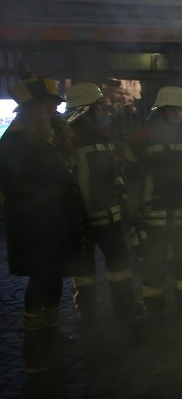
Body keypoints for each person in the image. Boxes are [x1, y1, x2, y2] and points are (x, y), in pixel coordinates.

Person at [0, 73, 85, 364]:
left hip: (55, 220)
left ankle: (52, 330)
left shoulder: (45, 139)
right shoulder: (13, 142)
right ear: (31, 109)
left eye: (53, 106)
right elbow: (15, 185)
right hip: (33, 222)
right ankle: (34, 335)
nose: (53, 111)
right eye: (47, 106)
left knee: (55, 274)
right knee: (41, 276)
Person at [123, 86, 182, 320]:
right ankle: (154, 311)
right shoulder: (142, 139)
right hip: (153, 215)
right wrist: (132, 210)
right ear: (161, 111)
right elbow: (127, 172)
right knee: (154, 266)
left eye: (180, 110)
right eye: (173, 110)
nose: (178, 114)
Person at [64, 83, 141, 328]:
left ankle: (112, 309)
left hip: (101, 212)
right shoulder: (68, 136)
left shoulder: (99, 133)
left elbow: (112, 169)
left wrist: (121, 193)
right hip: (84, 215)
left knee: (116, 263)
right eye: (98, 104)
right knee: (89, 268)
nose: (102, 108)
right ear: (86, 107)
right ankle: (94, 312)